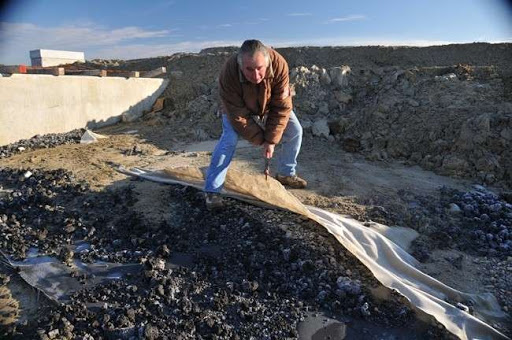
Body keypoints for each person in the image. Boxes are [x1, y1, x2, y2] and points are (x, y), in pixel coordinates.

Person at [204, 39, 307, 210]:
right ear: (240, 64)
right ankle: (212, 190)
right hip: (238, 107)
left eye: (260, 69)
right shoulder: (228, 73)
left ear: (267, 62)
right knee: (229, 139)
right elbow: (238, 116)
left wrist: (271, 140)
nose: (256, 75)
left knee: (295, 130)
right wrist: (262, 140)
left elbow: (281, 107)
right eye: (249, 70)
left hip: (268, 104)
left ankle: (286, 173)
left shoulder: (280, 65)